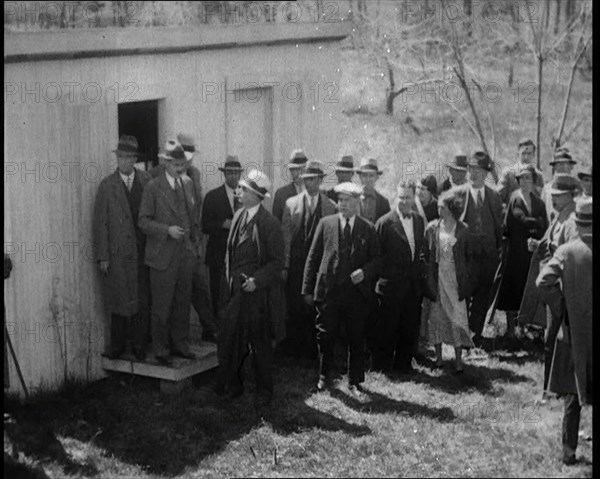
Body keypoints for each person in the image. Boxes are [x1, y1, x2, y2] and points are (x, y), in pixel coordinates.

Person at [302, 182, 380, 397]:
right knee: (325, 336)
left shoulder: (368, 228)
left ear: (357, 202)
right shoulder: (325, 224)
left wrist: (364, 272)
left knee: (356, 336)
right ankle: (324, 376)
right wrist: (307, 289)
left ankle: (354, 380)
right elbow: (313, 257)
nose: (343, 205)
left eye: (348, 200)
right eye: (340, 200)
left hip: (355, 294)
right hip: (330, 292)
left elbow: (378, 260)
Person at [215, 169, 284, 406]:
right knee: (233, 339)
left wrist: (257, 281)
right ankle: (234, 386)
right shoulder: (238, 216)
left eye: (243, 189)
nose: (238, 192)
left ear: (255, 194)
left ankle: (265, 390)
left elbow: (277, 262)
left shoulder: (269, 223)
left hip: (259, 296)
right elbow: (229, 254)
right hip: (236, 292)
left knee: (260, 342)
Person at [536, 196, 592, 465]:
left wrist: (563, 307)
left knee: (572, 393)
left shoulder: (567, 251)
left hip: (573, 332)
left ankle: (569, 451)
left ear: (577, 223)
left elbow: (542, 281)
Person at [150, 133, 218, 342]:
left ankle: (210, 328)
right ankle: (166, 342)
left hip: (189, 245)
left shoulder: (193, 176)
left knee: (199, 286)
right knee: (168, 297)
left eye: (190, 155)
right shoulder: (155, 176)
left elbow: (195, 207)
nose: (187, 159)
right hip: (166, 248)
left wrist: (195, 239)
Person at [139, 139, 200, 366]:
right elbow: (143, 221)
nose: (180, 169)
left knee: (182, 303)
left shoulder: (186, 184)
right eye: (175, 165)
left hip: (184, 256)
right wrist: (167, 230)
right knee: (162, 305)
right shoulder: (152, 187)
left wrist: (193, 247)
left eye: (182, 165)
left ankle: (180, 346)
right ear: (165, 164)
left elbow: (192, 218)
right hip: (162, 256)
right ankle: (161, 349)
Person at [93, 135, 152, 360]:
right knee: (118, 299)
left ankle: (139, 346)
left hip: (143, 252)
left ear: (135, 159)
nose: (125, 161)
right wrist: (103, 256)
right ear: (117, 159)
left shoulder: (146, 181)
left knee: (142, 299)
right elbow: (100, 224)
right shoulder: (107, 186)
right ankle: (117, 346)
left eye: (129, 157)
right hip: (118, 255)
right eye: (121, 157)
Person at [522, 174, 580, 396]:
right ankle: (552, 387)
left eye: (558, 195)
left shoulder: (572, 220)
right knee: (553, 341)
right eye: (552, 195)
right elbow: (553, 245)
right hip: (551, 289)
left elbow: (570, 255)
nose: (553, 199)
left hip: (562, 290)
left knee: (561, 341)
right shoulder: (559, 217)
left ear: (570, 196)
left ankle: (560, 388)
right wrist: (539, 245)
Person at [281, 160, 337, 359]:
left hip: (318, 266)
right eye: (306, 179)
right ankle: (294, 351)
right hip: (297, 265)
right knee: (296, 306)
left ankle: (314, 352)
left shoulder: (331, 206)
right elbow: (285, 238)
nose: (308, 183)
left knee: (317, 305)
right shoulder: (291, 204)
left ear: (321, 180)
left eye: (313, 179)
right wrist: (285, 265)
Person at [372, 181, 427, 375]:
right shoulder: (384, 223)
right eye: (401, 197)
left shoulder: (419, 221)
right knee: (387, 328)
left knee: (409, 326)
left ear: (414, 199)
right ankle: (381, 368)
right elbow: (376, 257)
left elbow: (419, 251)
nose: (404, 201)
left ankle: (403, 365)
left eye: (408, 197)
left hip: (412, 286)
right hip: (390, 286)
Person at [422, 188, 475, 372]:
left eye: (443, 207)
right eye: (438, 207)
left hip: (455, 281)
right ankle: (438, 358)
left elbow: (469, 258)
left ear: (452, 209)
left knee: (457, 319)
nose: (439, 211)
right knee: (436, 318)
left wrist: (466, 280)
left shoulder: (463, 230)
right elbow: (427, 254)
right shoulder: (432, 227)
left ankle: (459, 360)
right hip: (437, 280)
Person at [496, 164, 548, 340]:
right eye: (522, 178)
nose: (526, 182)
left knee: (528, 288)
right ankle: (511, 330)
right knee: (513, 288)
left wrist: (535, 237)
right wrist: (537, 223)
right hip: (515, 250)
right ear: (517, 181)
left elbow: (544, 225)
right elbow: (520, 218)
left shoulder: (539, 202)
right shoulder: (514, 198)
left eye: (529, 178)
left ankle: (523, 328)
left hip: (532, 252)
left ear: (534, 181)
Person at [460, 151, 503, 347]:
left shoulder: (494, 196)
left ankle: (475, 335)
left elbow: (498, 226)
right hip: (467, 256)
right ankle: (461, 335)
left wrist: (497, 251)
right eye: (471, 169)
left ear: (486, 173)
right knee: (464, 294)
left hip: (488, 256)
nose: (474, 173)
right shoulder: (460, 194)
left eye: (478, 169)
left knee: (482, 295)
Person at [201, 155, 244, 315]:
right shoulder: (212, 196)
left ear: (240, 174)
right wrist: (221, 224)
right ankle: (218, 329)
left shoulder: (247, 195)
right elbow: (204, 226)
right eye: (229, 173)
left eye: (236, 173)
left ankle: (234, 330)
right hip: (218, 255)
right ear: (224, 174)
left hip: (240, 256)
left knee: (237, 294)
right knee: (217, 293)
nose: (233, 176)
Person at [497, 138, 544, 205]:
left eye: (529, 154)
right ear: (518, 154)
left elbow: (541, 199)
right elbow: (498, 198)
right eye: (523, 153)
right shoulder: (508, 173)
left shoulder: (538, 175)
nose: (526, 157)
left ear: (533, 155)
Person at [541, 149, 577, 222]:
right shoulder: (547, 189)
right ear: (554, 167)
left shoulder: (578, 188)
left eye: (565, 163)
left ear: (571, 166)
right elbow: (543, 213)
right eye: (558, 164)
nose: (562, 167)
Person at [272, 149, 308, 222]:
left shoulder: (315, 191)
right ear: (290, 171)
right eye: (295, 170)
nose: (299, 173)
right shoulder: (281, 194)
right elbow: (276, 223)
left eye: (302, 169)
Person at [356, 158, 391, 224]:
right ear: (360, 177)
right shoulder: (353, 199)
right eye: (365, 175)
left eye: (371, 175)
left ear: (377, 177)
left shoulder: (383, 202)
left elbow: (386, 226)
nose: (368, 179)